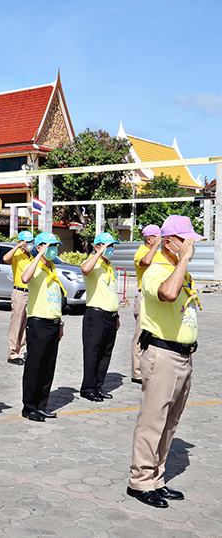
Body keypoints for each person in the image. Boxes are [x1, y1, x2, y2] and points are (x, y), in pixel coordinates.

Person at [126, 215, 203, 509]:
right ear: (169, 243)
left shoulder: (176, 270)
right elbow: (169, 294)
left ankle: (156, 478)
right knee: (152, 422)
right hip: (163, 354)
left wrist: (181, 263)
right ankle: (139, 482)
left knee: (170, 423)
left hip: (183, 355)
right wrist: (183, 261)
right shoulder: (156, 270)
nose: (190, 247)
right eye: (186, 241)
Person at [19, 232, 65, 422]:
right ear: (39, 247)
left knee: (48, 367)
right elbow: (24, 278)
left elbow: (55, 298)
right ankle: (29, 407)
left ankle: (41, 405)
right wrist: (38, 255)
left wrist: (60, 322)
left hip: (53, 323)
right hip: (38, 323)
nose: (54, 249)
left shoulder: (52, 267)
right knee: (35, 367)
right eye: (49, 246)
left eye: (55, 246)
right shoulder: (34, 266)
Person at [79, 232, 120, 403]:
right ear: (97, 247)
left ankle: (98, 386)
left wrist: (116, 315)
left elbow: (112, 292)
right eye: (107, 246)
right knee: (93, 353)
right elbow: (85, 269)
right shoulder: (93, 264)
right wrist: (98, 253)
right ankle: (88, 388)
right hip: (96, 315)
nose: (111, 249)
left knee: (105, 354)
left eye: (112, 246)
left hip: (110, 316)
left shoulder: (110, 266)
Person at [131, 225, 162, 385]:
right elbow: (146, 262)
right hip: (144, 297)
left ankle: (151, 369)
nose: (161, 240)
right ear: (149, 239)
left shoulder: (159, 254)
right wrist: (156, 246)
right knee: (141, 334)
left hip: (157, 297)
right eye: (158, 237)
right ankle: (137, 373)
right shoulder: (141, 252)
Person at [2, 231, 34, 365]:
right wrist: (17, 246)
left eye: (31, 241)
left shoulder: (31, 256)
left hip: (30, 292)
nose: (30, 244)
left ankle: (20, 351)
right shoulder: (17, 254)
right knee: (17, 323)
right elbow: (5, 259)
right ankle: (12, 353)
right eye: (27, 242)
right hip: (20, 292)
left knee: (25, 324)